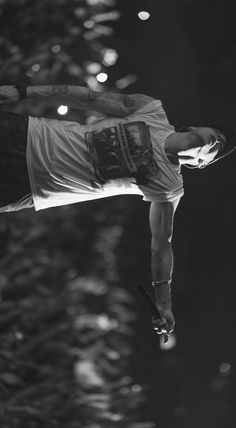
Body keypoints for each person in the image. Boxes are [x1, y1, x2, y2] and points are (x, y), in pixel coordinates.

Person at [0, 83, 235, 340]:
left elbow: (161, 244)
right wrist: (23, 92)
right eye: (218, 134)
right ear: (194, 127)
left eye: (220, 149)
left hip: (27, 188)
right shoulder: (151, 111)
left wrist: (164, 304)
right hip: (24, 135)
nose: (218, 141)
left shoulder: (168, 186)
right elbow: (87, 97)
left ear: (202, 164)